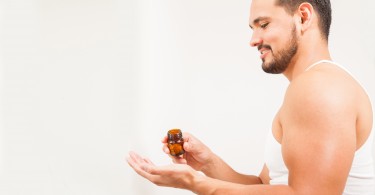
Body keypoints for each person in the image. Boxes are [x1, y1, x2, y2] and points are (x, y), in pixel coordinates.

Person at [127, 0, 375, 194]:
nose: (254, 40)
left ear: (303, 17)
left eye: (264, 24)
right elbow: (267, 186)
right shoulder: (310, 87)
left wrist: (195, 184)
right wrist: (207, 165)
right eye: (253, 28)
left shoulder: (320, 87)